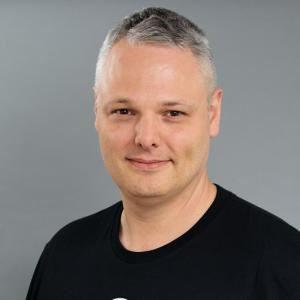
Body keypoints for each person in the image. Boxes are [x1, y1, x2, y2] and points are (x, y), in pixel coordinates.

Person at [26, 7, 300, 300]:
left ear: (213, 113)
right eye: (124, 111)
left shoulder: (284, 267)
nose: (145, 138)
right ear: (97, 109)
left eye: (172, 113)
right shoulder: (64, 257)